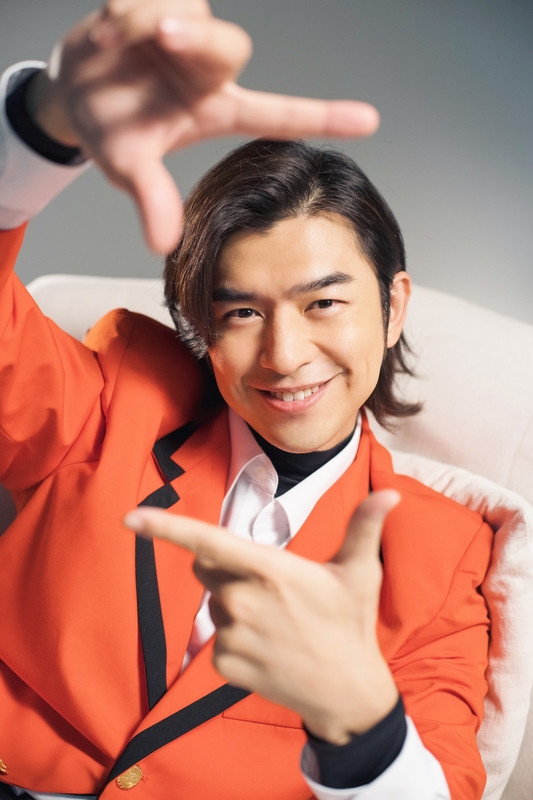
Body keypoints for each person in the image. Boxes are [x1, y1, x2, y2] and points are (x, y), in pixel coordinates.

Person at [0, 2, 492, 799]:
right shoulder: (116, 401)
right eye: (241, 313)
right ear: (201, 323)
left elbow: (445, 780)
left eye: (323, 303)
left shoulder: (444, 552)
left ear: (393, 306)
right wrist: (38, 127)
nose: (283, 355)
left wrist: (361, 726)